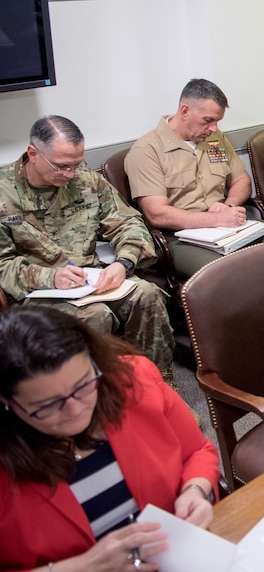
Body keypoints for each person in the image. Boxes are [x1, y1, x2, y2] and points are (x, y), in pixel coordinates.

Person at [0, 307, 219, 572]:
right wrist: (77, 571)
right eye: (48, 406)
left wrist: (196, 490)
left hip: (171, 564)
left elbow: (197, 452)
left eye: (83, 385)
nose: (76, 409)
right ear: (7, 403)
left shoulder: (132, 379)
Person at [0, 116, 174, 383]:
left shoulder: (87, 181)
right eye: (61, 166)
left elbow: (128, 222)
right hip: (36, 292)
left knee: (147, 294)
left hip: (91, 280)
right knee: (96, 315)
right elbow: (3, 265)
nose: (70, 174)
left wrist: (124, 263)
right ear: (33, 153)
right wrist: (50, 277)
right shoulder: (3, 194)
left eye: (76, 165)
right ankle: (97, 402)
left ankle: (157, 388)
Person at [125, 78, 264, 277]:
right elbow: (157, 213)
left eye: (217, 121)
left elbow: (241, 180)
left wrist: (229, 206)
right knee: (228, 272)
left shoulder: (215, 140)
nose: (214, 128)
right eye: (208, 120)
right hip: (180, 238)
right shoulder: (148, 150)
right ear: (185, 111)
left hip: (226, 226)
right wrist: (214, 219)